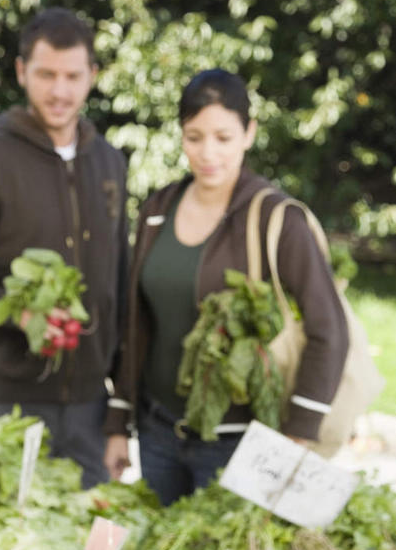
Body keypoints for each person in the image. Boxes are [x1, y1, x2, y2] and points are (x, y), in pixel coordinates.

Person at [103, 68, 349, 506]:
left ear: (249, 134)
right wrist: (118, 422)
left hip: (241, 445)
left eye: (223, 137)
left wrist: (297, 436)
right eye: (194, 137)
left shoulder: (277, 218)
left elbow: (329, 329)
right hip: (159, 432)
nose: (207, 152)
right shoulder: (158, 209)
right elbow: (134, 322)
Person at [0, 7, 128, 489]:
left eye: (72, 76)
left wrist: (120, 412)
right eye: (46, 74)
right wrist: (19, 314)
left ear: (92, 76)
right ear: (22, 72)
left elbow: (119, 281)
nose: (59, 91)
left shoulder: (109, 163)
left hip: (89, 406)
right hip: (6, 400)